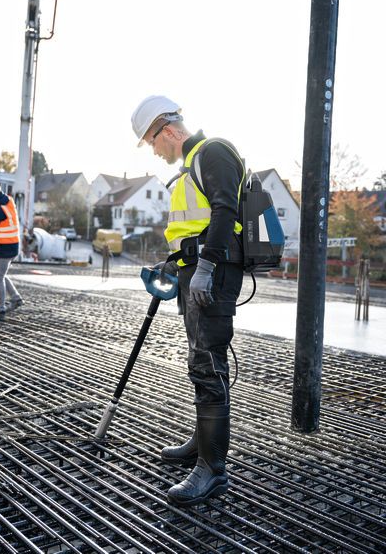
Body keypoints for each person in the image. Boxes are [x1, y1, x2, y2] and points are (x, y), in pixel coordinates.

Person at [131, 95, 245, 506]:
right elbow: (192, 227)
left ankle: (213, 470)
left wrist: (206, 267)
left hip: (212, 276)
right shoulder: (191, 164)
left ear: (168, 131)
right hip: (194, 273)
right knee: (200, 361)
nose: (154, 151)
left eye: (151, 142)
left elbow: (224, 211)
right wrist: (177, 260)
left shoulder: (212, 152)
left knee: (208, 364)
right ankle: (201, 444)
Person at [0, 178, 23, 320]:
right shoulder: (7, 200)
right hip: (12, 246)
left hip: (4, 248)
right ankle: (15, 298)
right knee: (1, 273)